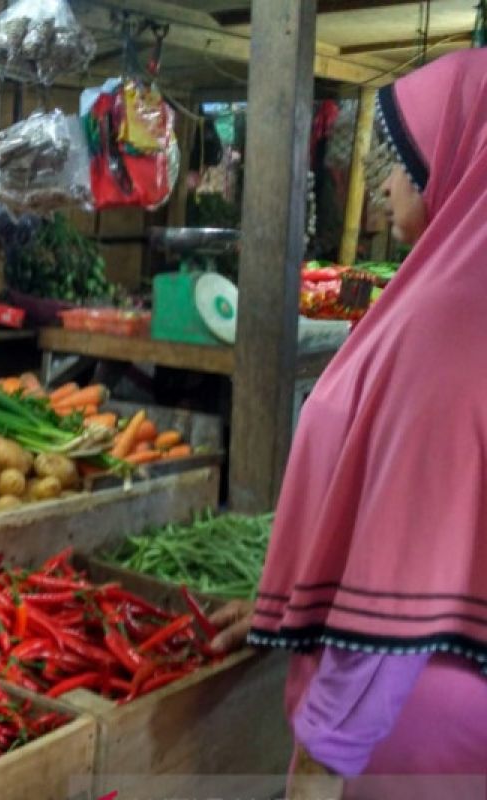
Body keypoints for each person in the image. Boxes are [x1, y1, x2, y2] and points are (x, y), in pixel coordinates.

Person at [208, 50, 487, 799]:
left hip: (407, 733)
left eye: (405, 159)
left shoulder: (454, 323)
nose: (389, 182)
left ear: (464, 154)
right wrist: (293, 605)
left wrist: (324, 758)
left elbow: (409, 564)